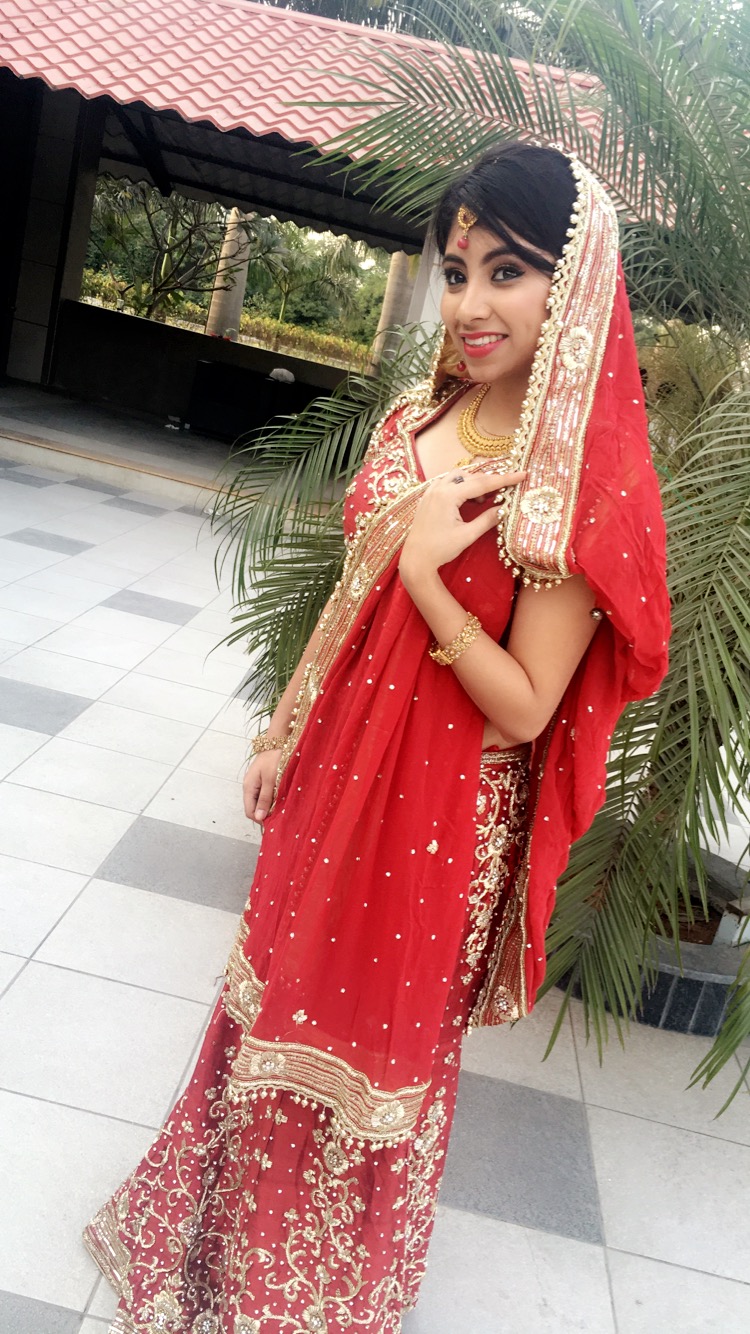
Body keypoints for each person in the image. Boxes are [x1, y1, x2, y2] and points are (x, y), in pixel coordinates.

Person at [84, 142, 670, 1334]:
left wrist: (432, 580)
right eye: (456, 271)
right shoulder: (420, 415)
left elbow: (526, 707)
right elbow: (351, 589)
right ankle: (217, 1252)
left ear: (573, 286)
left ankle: (310, 1296)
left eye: (508, 270)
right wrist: (281, 726)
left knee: (366, 1051)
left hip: (438, 825)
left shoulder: (572, 490)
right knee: (270, 1002)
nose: (471, 303)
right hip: (333, 775)